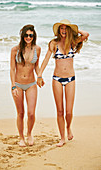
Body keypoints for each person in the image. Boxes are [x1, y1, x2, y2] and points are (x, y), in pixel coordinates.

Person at [37, 19, 89, 147]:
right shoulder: (53, 43)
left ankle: (68, 127)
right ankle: (62, 138)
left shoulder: (72, 42)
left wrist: (74, 30)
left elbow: (86, 35)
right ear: (58, 30)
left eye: (66, 28)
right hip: (57, 79)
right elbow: (45, 59)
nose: (64, 30)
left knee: (69, 112)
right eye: (62, 28)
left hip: (71, 79)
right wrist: (39, 75)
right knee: (60, 111)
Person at [10, 24, 42, 147]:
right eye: (26, 35)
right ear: (22, 36)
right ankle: (21, 137)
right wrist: (13, 86)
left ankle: (29, 134)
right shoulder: (15, 49)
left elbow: (36, 66)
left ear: (34, 36)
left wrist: (39, 76)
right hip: (17, 84)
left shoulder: (37, 49)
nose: (28, 37)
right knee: (20, 113)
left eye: (31, 35)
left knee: (31, 113)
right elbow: (12, 69)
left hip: (31, 84)